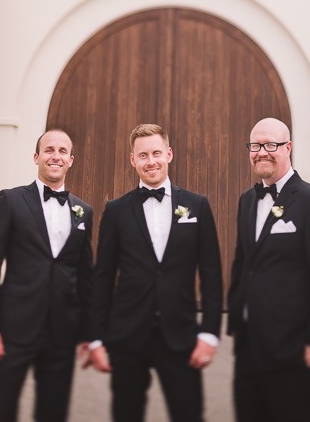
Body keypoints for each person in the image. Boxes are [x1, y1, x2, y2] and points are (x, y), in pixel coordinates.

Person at [88, 123, 222, 422]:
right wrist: (96, 337)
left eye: (157, 153)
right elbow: (103, 277)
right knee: (126, 413)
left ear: (169, 154)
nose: (151, 161)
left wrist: (210, 333)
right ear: (132, 160)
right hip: (127, 335)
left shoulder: (197, 206)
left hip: (181, 334)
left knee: (188, 414)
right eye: (143, 155)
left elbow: (211, 272)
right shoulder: (117, 210)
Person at [227, 117, 310, 422]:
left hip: (292, 348)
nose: (261, 152)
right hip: (249, 346)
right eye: (255, 145)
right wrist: (237, 325)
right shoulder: (247, 200)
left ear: (288, 147)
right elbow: (244, 262)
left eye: (271, 145)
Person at [0, 128, 93, 422]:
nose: (56, 156)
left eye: (62, 151)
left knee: (53, 411)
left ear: (71, 160)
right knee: (1, 407)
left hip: (62, 332)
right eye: (49, 150)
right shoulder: (11, 200)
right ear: (36, 157)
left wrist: (89, 332)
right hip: (13, 327)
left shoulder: (83, 211)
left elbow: (84, 275)